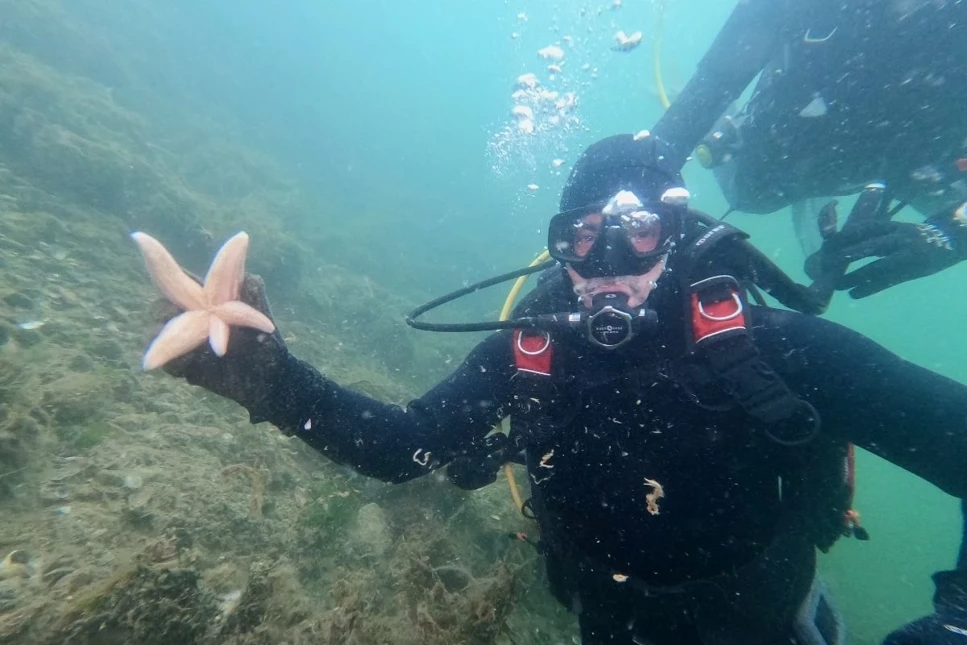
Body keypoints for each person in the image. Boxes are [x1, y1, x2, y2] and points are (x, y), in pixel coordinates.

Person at [157, 134, 967, 645]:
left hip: (758, 608)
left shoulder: (776, 349)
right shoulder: (533, 350)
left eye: (636, 229)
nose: (607, 256)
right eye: (579, 233)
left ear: (677, 235)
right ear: (558, 247)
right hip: (604, 612)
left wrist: (955, 612)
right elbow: (401, 446)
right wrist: (272, 379)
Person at [649, 0, 967, 299]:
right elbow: (716, 81)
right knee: (750, 194)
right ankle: (729, 127)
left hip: (923, 161)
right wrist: (641, 184)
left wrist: (953, 234)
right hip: (800, 134)